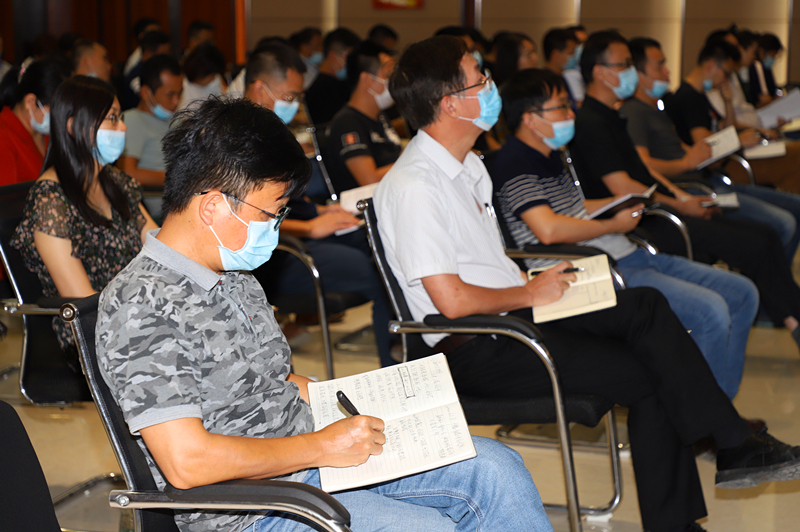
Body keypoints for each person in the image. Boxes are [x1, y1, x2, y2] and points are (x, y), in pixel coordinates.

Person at [376, 34, 800, 532]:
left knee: (646, 316)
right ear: (451, 103)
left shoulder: (468, 166)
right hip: (478, 345)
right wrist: (529, 292)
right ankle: (728, 449)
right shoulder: (415, 186)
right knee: (649, 354)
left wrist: (533, 284)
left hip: (512, 314)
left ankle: (726, 454)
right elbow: (449, 301)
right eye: (479, 79)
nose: (491, 87)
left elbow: (483, 265)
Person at [96, 95, 553, 532]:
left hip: (309, 459)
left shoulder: (230, 270)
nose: (275, 228)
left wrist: (372, 400)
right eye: (271, 213)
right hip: (251, 508)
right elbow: (187, 462)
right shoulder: (141, 303)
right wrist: (321, 446)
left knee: (497, 469)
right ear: (213, 206)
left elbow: (272, 379)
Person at [494, 68, 758, 399]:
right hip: (591, 269)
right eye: (560, 107)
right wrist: (614, 224)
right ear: (530, 119)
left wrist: (617, 203)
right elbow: (548, 229)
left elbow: (571, 208)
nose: (570, 114)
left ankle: (720, 411)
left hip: (621, 253)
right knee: (710, 312)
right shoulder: (515, 163)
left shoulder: (547, 156)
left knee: (743, 293)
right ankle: (708, 419)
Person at [570, 30, 800, 348]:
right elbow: (624, 187)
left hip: (663, 208)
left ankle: (791, 316)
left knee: (765, 235)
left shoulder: (612, 116)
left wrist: (682, 197)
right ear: (600, 72)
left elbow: (645, 172)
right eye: (624, 65)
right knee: (756, 244)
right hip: (648, 221)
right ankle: (792, 320)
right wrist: (679, 204)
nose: (631, 72)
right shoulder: (592, 123)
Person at [242, 42, 396, 367]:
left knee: (384, 243)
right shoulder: (240, 141)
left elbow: (292, 200)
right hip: (279, 252)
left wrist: (323, 212)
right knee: (379, 270)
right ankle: (394, 366)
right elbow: (246, 219)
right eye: (289, 96)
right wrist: (310, 227)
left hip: (304, 231)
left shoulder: (272, 133)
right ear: (259, 88)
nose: (294, 105)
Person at [10, 75, 157, 357]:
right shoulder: (50, 201)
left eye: (120, 117)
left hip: (135, 315)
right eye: (112, 118)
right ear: (73, 127)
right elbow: (84, 302)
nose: (123, 127)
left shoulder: (114, 181)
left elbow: (160, 245)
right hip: (91, 336)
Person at [623, 37, 800, 261]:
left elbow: (696, 151)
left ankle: (773, 276)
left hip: (707, 179)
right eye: (660, 66)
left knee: (792, 211)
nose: (667, 72)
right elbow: (645, 164)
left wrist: (727, 109)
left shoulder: (656, 110)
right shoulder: (639, 111)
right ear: (638, 74)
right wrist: (690, 163)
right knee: (781, 224)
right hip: (694, 187)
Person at [663, 38, 800, 195]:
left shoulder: (701, 95)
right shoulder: (689, 97)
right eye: (727, 74)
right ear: (711, 66)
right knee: (794, 157)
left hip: (726, 160)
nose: (727, 80)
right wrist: (738, 141)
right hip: (717, 168)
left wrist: (728, 103)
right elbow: (703, 143)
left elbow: (726, 127)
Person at [324, 41, 401, 194]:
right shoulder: (347, 124)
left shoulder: (379, 116)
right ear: (367, 80)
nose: (394, 81)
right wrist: (412, 161)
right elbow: (369, 180)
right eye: (388, 75)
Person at [0, 59, 69, 185]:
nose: (59, 117)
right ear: (30, 102)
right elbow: (7, 195)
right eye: (54, 110)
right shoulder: (4, 136)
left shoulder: (46, 134)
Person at [119, 55, 183, 187]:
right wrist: (180, 179)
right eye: (170, 94)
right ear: (146, 92)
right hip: (158, 195)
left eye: (179, 93)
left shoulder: (176, 121)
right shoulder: (132, 120)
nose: (176, 101)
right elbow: (127, 173)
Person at [304, 28, 360, 125]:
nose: (353, 64)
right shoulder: (325, 89)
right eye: (350, 58)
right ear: (333, 56)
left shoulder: (335, 84)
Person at [121, 30, 171, 110]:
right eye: (162, 55)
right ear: (148, 53)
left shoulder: (155, 72)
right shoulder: (136, 76)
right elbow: (150, 102)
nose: (166, 60)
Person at [178, 42, 226, 111]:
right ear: (201, 72)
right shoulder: (181, 84)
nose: (213, 79)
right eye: (212, 75)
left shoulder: (215, 81)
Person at [748, 32, 783, 107]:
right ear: (762, 51)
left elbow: (773, 89)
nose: (773, 58)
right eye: (773, 54)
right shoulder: (752, 68)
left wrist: (777, 94)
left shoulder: (766, 69)